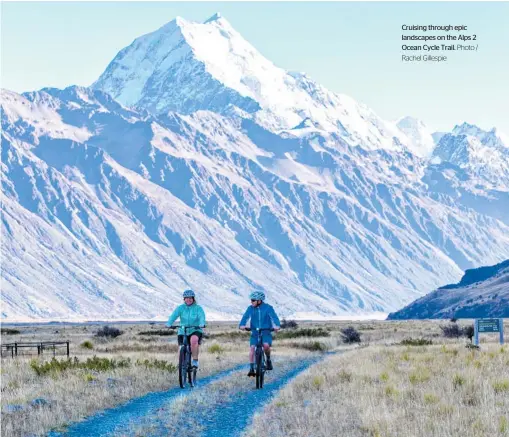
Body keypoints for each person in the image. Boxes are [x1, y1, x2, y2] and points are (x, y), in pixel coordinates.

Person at [239, 291, 281, 377]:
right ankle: (251, 369)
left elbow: (274, 317)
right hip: (254, 332)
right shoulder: (250, 308)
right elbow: (245, 317)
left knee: (266, 345)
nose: (251, 302)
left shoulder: (268, 308)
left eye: (253, 300)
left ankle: (268, 359)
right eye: (251, 300)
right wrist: (242, 325)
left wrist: (277, 326)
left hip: (266, 331)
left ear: (259, 300)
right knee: (252, 348)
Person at [166, 289, 206, 369]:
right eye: (186, 298)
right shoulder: (180, 308)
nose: (188, 299)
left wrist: (202, 324)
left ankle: (195, 361)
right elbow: (173, 316)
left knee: (194, 341)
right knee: (181, 347)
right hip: (183, 330)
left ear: (193, 299)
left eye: (190, 298)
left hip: (195, 329)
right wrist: (169, 323)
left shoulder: (198, 308)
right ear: (184, 299)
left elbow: (202, 316)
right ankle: (181, 363)